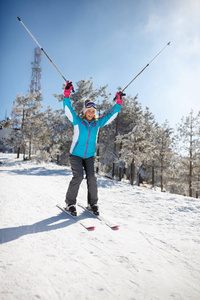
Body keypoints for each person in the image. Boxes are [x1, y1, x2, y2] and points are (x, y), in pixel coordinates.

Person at [63, 81, 125, 216]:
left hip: (89, 155)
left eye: (93, 111)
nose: (91, 113)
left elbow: (110, 116)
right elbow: (68, 110)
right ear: (84, 111)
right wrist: (67, 94)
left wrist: (118, 103)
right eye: (88, 111)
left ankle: (92, 204)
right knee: (78, 177)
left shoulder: (97, 124)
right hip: (76, 155)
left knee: (92, 177)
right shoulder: (77, 121)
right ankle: (70, 203)